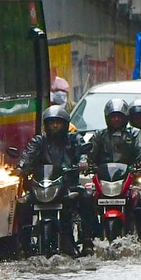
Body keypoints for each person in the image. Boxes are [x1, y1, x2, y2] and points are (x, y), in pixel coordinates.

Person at [17, 105, 91, 253]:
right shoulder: (39, 141)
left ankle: (88, 240)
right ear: (46, 124)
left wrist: (83, 160)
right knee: (22, 203)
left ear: (65, 124)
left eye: (58, 122)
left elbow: (83, 150)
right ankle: (24, 244)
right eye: (51, 122)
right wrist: (21, 167)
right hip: (43, 187)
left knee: (86, 197)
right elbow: (28, 155)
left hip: (67, 186)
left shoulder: (73, 139)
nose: (55, 125)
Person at [86, 98, 141, 249]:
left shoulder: (135, 134)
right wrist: (84, 161)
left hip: (129, 180)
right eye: (113, 116)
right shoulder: (99, 135)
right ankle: (88, 240)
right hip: (104, 182)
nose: (116, 119)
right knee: (86, 200)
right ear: (107, 118)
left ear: (125, 117)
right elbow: (88, 152)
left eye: (119, 116)